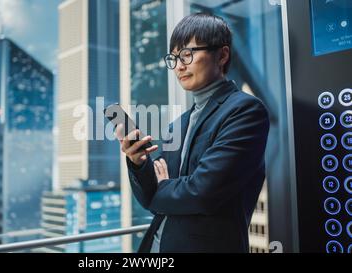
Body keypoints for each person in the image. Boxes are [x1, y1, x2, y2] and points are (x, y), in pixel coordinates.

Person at [116, 13, 270, 253]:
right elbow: (150, 200)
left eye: (187, 54)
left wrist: (164, 185)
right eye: (174, 58)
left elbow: (203, 192)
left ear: (222, 55)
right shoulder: (178, 124)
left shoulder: (245, 111)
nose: (179, 66)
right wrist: (138, 163)